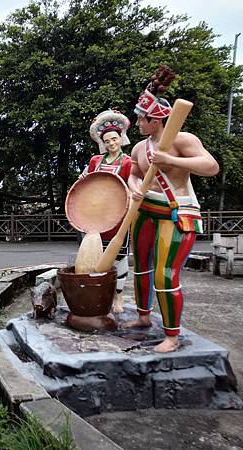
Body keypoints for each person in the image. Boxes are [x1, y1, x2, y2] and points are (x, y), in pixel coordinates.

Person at [124, 66, 219, 352]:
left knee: (165, 274)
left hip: (176, 212)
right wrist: (134, 187)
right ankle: (143, 316)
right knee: (140, 266)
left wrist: (172, 160)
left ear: (155, 120)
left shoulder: (183, 140)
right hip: (145, 212)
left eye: (141, 118)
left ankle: (172, 335)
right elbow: (134, 173)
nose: (137, 122)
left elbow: (210, 167)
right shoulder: (140, 148)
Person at [81, 110, 132, 312]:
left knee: (119, 257)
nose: (111, 143)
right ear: (102, 142)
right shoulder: (96, 161)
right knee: (95, 254)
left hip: (118, 217)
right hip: (95, 216)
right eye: (107, 140)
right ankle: (101, 293)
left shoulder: (128, 162)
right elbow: (84, 181)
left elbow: (132, 188)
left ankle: (118, 297)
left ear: (121, 138)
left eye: (114, 139)